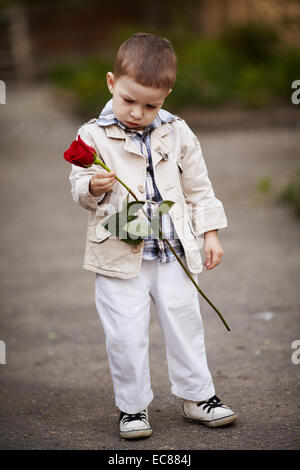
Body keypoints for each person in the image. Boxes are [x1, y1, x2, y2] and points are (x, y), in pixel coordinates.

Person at [69, 32, 237, 440]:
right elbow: (78, 184)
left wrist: (209, 233)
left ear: (167, 96)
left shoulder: (177, 132)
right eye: (129, 100)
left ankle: (198, 397)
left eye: (152, 105)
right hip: (118, 255)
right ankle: (132, 408)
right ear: (112, 82)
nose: (139, 113)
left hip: (173, 251)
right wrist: (93, 187)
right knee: (124, 332)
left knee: (185, 322)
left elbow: (199, 187)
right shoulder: (92, 135)